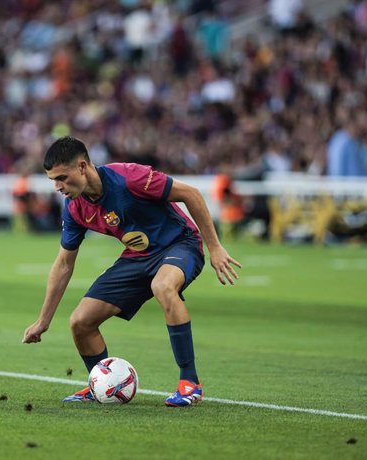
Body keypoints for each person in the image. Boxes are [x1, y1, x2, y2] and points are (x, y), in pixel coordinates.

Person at [22, 136, 241, 407]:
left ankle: (190, 383)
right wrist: (43, 321)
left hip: (180, 244)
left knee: (162, 286)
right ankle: (98, 383)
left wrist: (215, 247)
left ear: (81, 167)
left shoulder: (130, 178)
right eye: (53, 180)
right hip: (137, 257)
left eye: (62, 178)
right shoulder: (74, 208)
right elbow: (64, 263)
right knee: (80, 322)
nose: (57, 187)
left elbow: (191, 194)